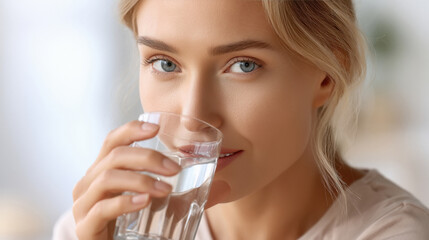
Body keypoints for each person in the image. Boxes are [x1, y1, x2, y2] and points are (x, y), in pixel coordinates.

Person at [53, 0, 429, 239]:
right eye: (164, 63)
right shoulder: (103, 225)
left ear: (327, 74)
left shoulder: (394, 234)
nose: (193, 116)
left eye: (244, 65)